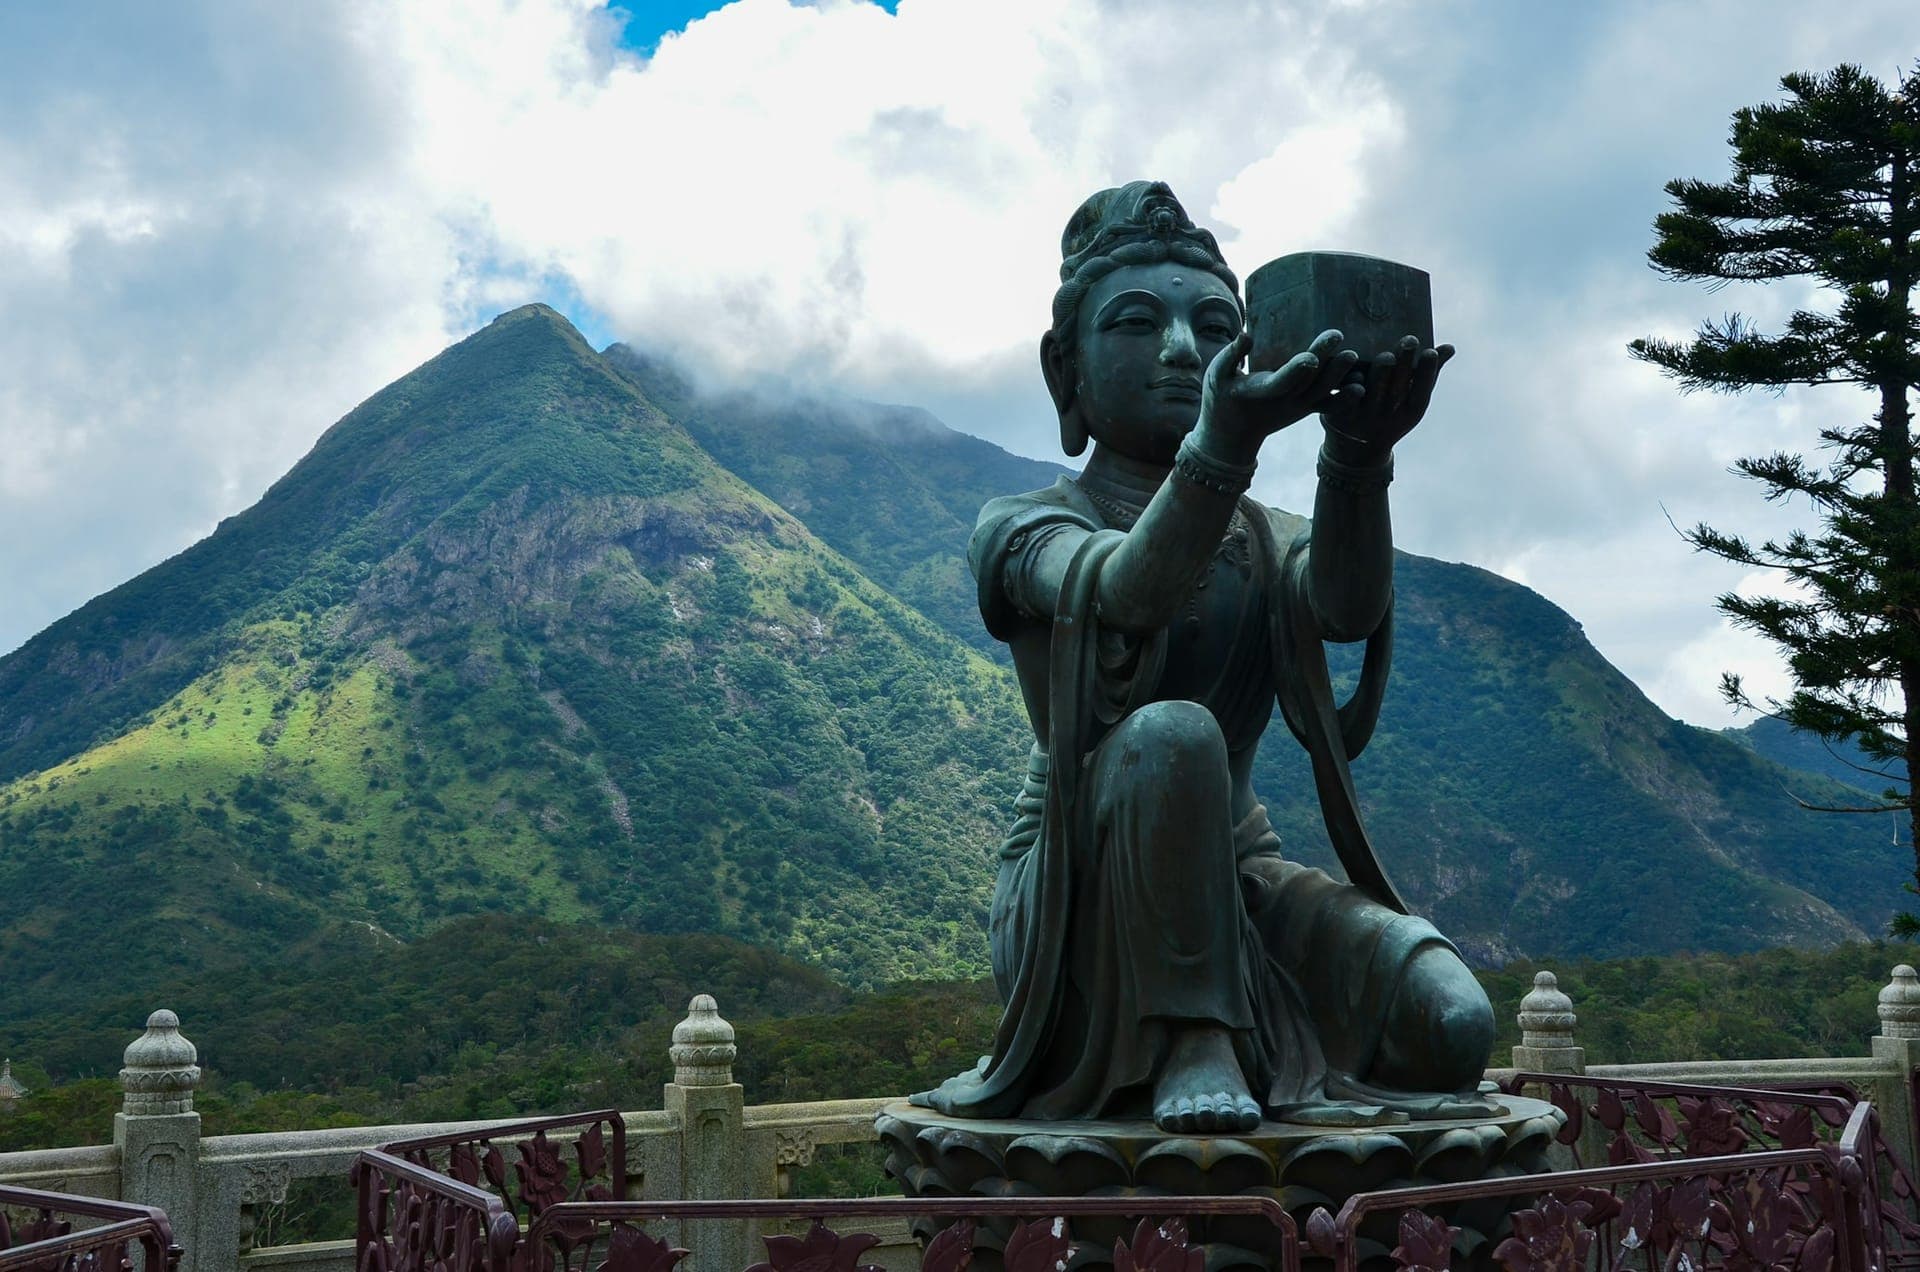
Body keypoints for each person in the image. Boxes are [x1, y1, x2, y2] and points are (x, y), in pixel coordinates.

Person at [913, 182, 1495, 1135]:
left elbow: (1343, 610)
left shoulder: (1260, 540)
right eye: (1138, 325)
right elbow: (1128, 589)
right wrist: (1224, 444)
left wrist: (1356, 455)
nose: (1183, 350)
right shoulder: (1026, 528)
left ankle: (1245, 1037)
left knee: (1453, 1024)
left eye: (1214, 325)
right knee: (1171, 735)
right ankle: (1191, 1033)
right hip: (1079, 896)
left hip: (1243, 877)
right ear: (1067, 371)